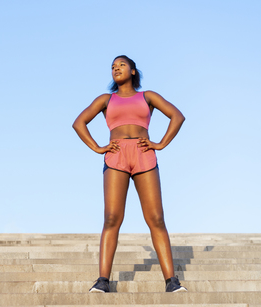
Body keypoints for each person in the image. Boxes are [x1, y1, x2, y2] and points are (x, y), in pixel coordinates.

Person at [72, 55, 187, 293]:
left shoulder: (148, 96)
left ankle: (171, 282)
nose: (116, 68)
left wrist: (161, 143)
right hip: (116, 156)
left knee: (156, 218)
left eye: (121, 65)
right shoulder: (106, 99)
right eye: (113, 66)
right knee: (112, 218)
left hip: (144, 154)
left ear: (133, 71)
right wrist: (97, 148)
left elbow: (178, 116)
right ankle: (103, 280)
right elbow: (79, 122)